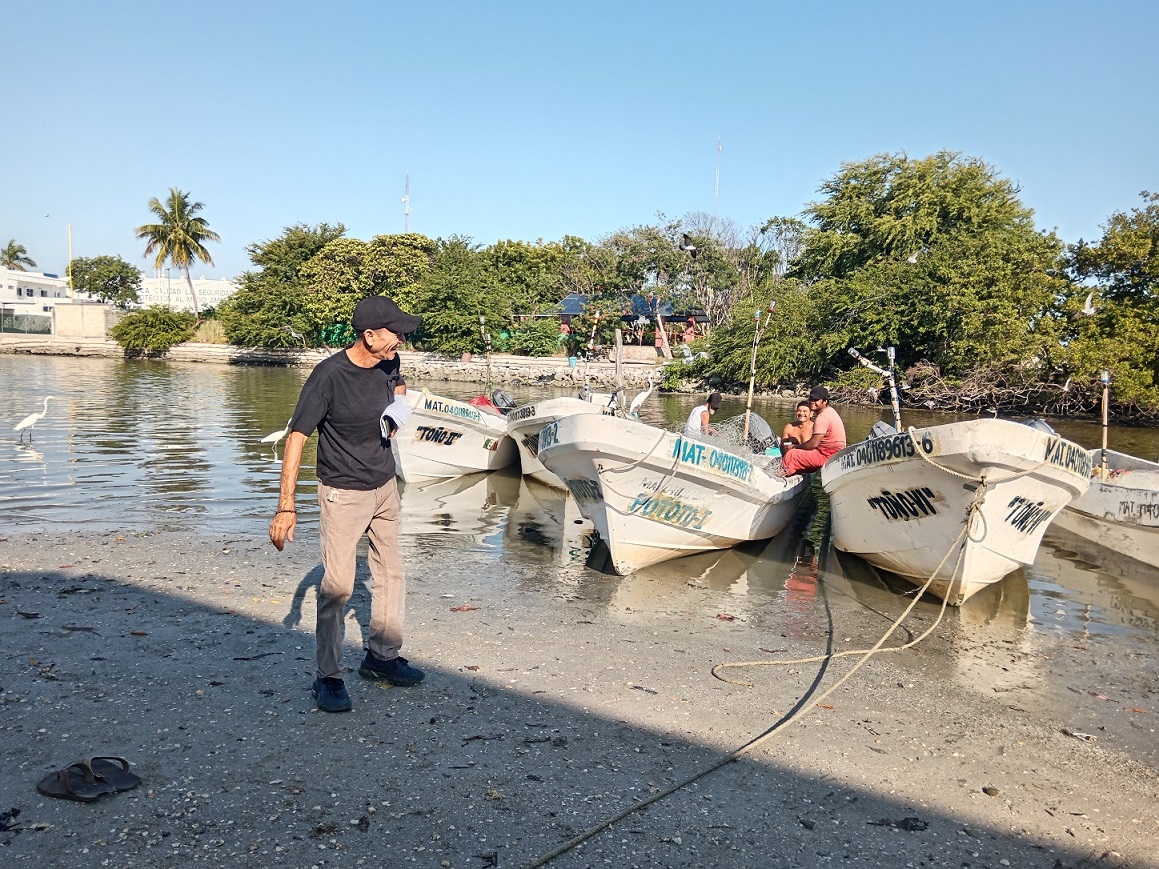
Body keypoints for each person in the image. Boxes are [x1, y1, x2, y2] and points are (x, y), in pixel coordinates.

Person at [269, 295, 425, 714]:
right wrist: (286, 507)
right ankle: (329, 677)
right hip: (343, 494)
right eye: (396, 335)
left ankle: (382, 657)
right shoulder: (328, 376)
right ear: (369, 335)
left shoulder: (388, 362)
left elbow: (399, 387)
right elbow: (297, 438)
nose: (401, 344)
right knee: (338, 587)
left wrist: (397, 412)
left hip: (385, 486)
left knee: (391, 574)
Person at [781, 386, 847, 475]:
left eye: (816, 400)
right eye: (811, 398)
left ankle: (780, 477)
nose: (812, 402)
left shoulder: (822, 418)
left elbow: (814, 444)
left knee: (792, 454)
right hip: (834, 454)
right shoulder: (830, 411)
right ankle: (793, 471)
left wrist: (794, 447)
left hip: (828, 455)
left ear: (825, 401)